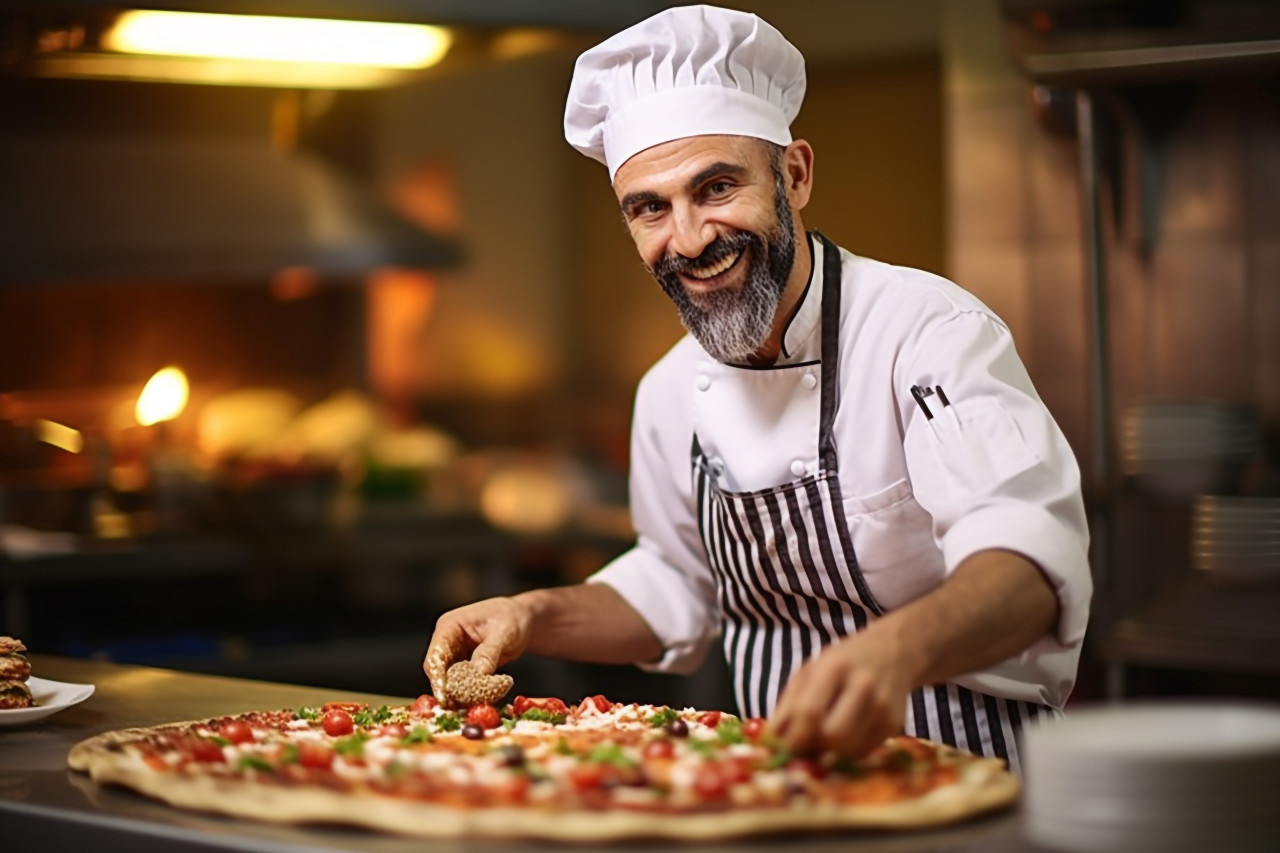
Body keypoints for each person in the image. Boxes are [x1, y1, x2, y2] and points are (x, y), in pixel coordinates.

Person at [425, 4, 1091, 775]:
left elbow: (1028, 561)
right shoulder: (670, 390)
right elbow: (675, 581)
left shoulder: (927, 331)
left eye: (715, 186)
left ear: (795, 175)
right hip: (770, 781)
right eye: (650, 208)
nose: (691, 237)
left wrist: (893, 653)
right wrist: (531, 613)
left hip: (970, 771)